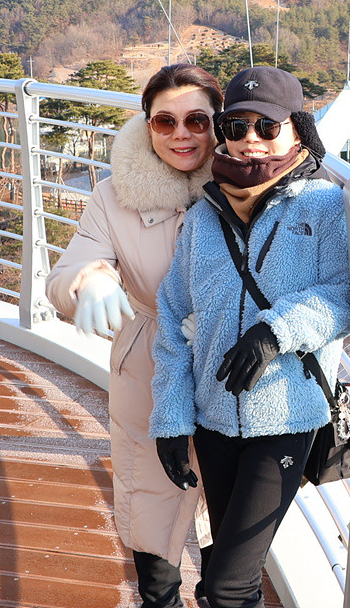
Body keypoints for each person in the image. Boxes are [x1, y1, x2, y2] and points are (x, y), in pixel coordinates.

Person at [150, 66, 350, 608]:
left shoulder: (324, 206)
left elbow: (343, 296)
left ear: (297, 129)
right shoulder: (203, 217)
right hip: (213, 420)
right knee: (230, 575)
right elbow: (173, 317)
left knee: (226, 586)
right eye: (236, 126)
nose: (250, 139)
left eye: (267, 126)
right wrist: (171, 421)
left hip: (286, 420)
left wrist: (275, 331)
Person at [48, 63, 223, 608]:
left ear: (219, 122)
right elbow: (63, 275)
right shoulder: (114, 196)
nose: (181, 134)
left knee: (229, 547)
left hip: (231, 366)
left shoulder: (249, 183)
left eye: (197, 120)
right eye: (165, 121)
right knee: (151, 526)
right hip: (147, 368)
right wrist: (91, 280)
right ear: (147, 126)